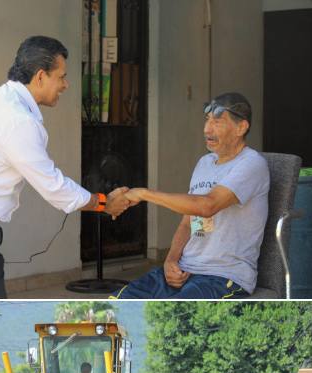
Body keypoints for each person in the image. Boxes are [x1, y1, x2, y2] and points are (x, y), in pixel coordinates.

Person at [0, 35, 131, 299]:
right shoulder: (17, 119)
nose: (66, 85)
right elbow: (52, 186)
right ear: (41, 76)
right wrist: (103, 202)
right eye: (62, 77)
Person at [110, 92, 270, 299]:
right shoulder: (205, 163)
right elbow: (190, 221)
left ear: (241, 128)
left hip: (222, 277)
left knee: (174, 318)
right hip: (186, 270)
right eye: (207, 120)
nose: (207, 129)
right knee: (117, 303)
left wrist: (143, 193)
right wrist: (170, 261)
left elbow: (207, 206)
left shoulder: (251, 164)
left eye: (218, 122)